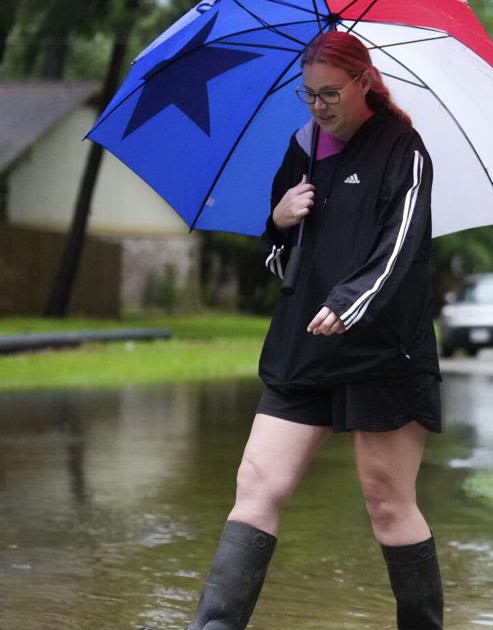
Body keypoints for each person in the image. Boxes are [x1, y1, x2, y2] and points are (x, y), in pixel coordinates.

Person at [187, 31, 443, 630]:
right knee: (256, 485)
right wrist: (277, 223)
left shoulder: (403, 149)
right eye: (308, 95)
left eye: (329, 93)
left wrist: (351, 303)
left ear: (364, 82)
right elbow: (283, 265)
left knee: (387, 504)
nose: (318, 106)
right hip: (302, 349)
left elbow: (402, 249)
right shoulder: (301, 147)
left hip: (382, 353)